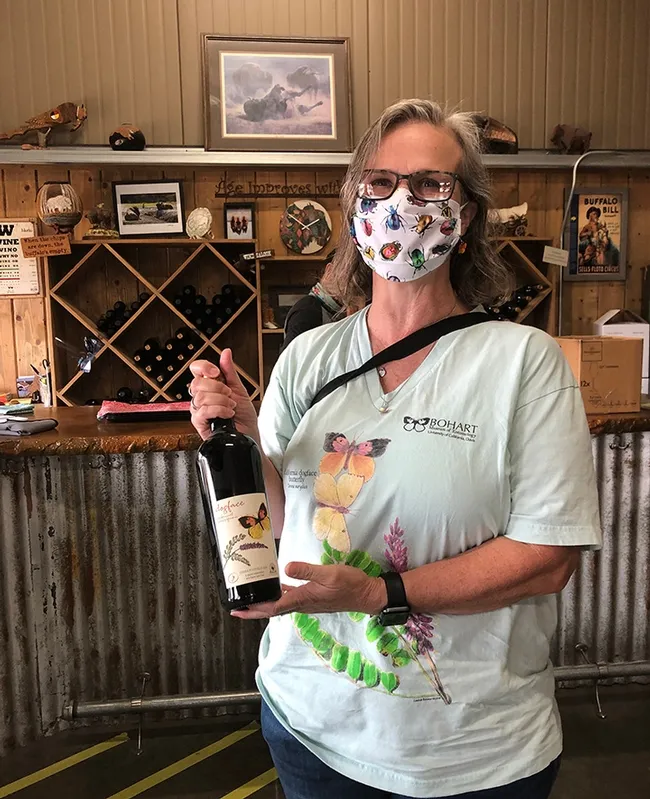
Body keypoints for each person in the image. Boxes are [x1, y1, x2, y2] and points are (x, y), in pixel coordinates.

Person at [189, 99, 601, 799]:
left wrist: (383, 593)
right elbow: (285, 523)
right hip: (311, 725)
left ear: (465, 217)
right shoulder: (308, 357)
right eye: (380, 183)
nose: (401, 202)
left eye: (430, 184)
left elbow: (548, 559)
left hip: (472, 754)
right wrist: (246, 437)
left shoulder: (523, 362)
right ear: (355, 208)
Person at [280, 255, 345, 352]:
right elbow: (291, 359)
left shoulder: (333, 310)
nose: (354, 284)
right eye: (348, 275)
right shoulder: (308, 310)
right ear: (329, 271)